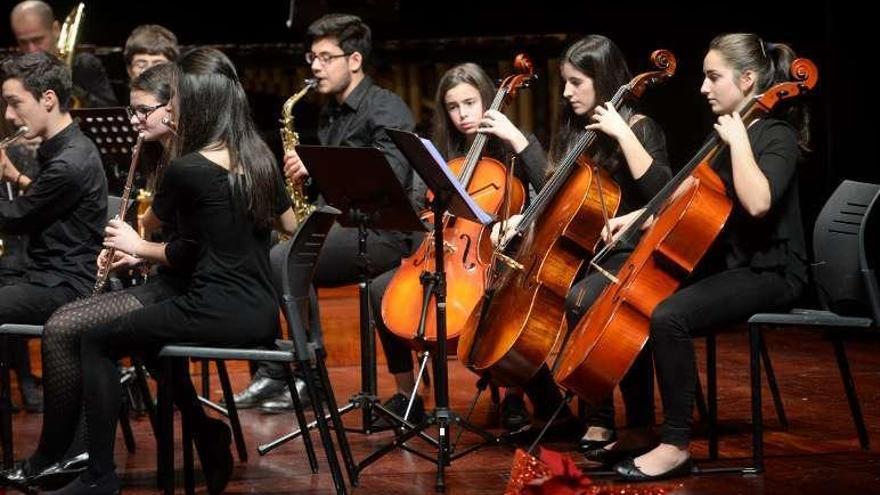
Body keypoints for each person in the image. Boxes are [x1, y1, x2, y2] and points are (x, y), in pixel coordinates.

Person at [36, 47, 297, 494]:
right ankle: (206, 435)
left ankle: (100, 476)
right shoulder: (259, 158)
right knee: (143, 335)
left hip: (215, 305)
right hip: (261, 309)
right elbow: (291, 228)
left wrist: (139, 246)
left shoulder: (186, 170)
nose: (172, 109)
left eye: (177, 102)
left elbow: (173, 242)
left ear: (197, 104)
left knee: (98, 338)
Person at [613, 33, 809, 481]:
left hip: (773, 271)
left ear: (745, 80)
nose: (703, 87)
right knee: (638, 300)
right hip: (731, 263)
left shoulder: (774, 133)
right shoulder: (730, 131)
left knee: (670, 316)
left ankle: (675, 444)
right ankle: (638, 426)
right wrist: (642, 215)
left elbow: (759, 202)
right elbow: (692, 188)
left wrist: (740, 140)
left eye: (713, 76)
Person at [230, 13, 425, 419]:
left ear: (354, 60)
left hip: (386, 233)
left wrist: (316, 167)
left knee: (286, 258)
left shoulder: (385, 107)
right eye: (311, 57)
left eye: (324, 57)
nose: (314, 67)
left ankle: (311, 377)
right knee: (266, 245)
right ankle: (281, 366)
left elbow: (390, 175)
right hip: (345, 226)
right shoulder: (328, 114)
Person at [369, 62, 547, 428]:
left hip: (501, 252)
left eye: (470, 102)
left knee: (502, 295)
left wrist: (517, 139)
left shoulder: (516, 145)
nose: (463, 114)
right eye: (453, 107)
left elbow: (551, 189)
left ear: (487, 99)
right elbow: (422, 207)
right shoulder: (441, 152)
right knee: (378, 291)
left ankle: (513, 394)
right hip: (447, 252)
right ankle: (409, 395)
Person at [544, 35, 672, 464]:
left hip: (635, 250)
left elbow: (663, 195)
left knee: (590, 296)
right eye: (565, 82)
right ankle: (578, 409)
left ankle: (630, 420)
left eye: (576, 82)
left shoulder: (639, 127)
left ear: (602, 79)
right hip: (592, 249)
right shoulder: (576, 131)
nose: (567, 92)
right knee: (562, 287)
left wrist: (622, 133)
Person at [0, 51, 107, 415]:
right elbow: (51, 202)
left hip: (67, 287)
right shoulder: (65, 148)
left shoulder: (69, 161)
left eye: (15, 104)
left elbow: (17, 217)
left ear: (48, 99)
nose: (8, 116)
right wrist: (15, 176)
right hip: (47, 275)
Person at [10, 0, 118, 108]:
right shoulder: (15, 73)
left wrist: (72, 89)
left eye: (38, 40)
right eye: (23, 42)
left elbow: (110, 109)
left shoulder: (85, 65)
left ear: (56, 30)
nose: (31, 50)